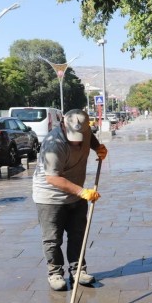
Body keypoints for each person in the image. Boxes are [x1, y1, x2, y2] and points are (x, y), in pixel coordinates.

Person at [32, 109, 108, 291]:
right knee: (52, 239)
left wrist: (98, 147)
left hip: (76, 191)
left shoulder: (84, 129)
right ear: (64, 126)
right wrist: (82, 192)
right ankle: (55, 273)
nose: (76, 142)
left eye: (80, 136)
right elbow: (52, 178)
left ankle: (78, 270)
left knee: (78, 235)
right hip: (50, 196)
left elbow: (90, 138)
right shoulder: (54, 143)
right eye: (73, 136)